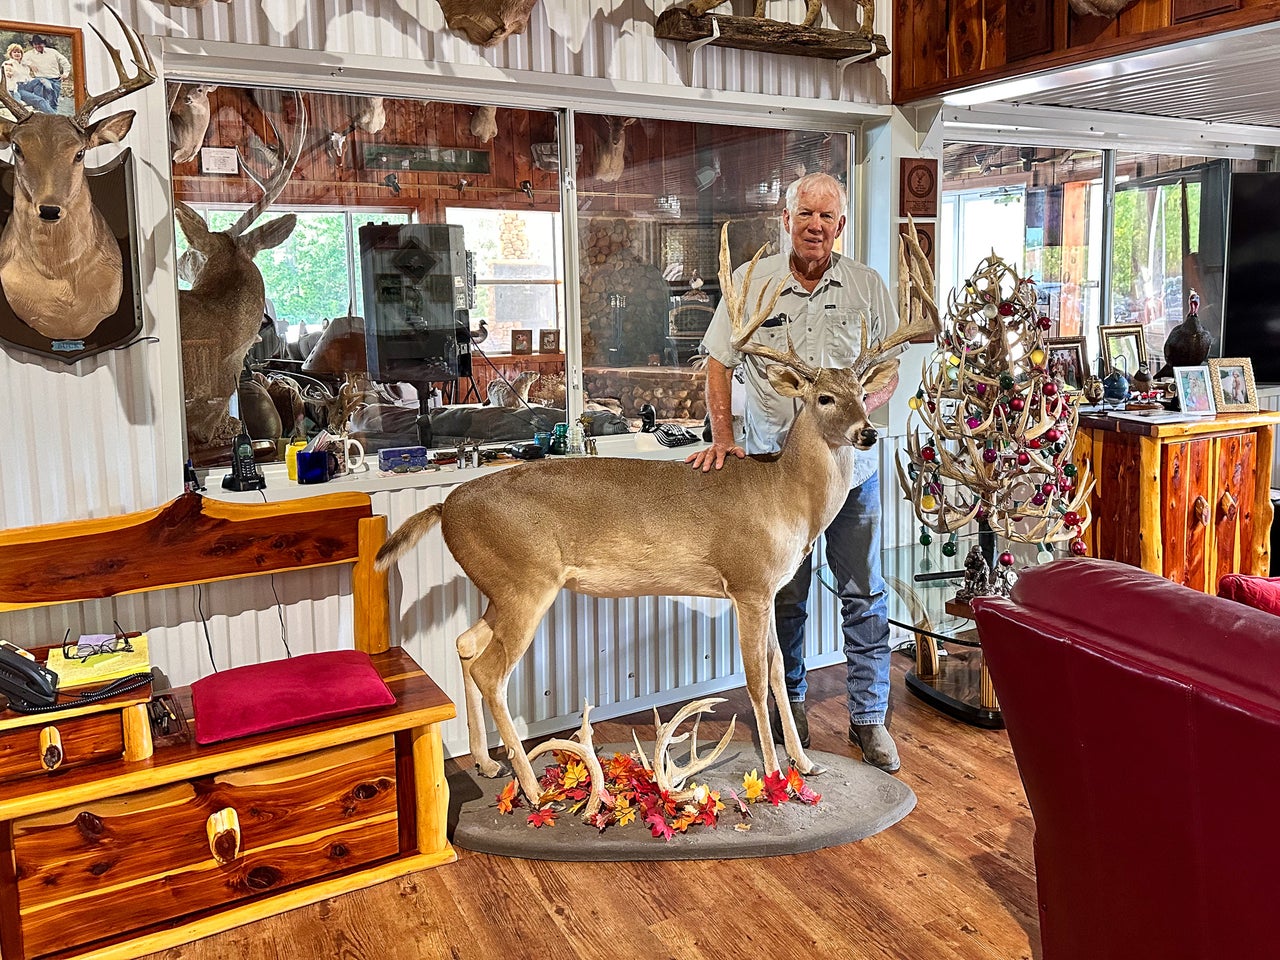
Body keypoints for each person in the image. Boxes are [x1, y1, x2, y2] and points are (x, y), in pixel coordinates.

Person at [686, 172, 901, 774]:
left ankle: (869, 719)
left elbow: (888, 372)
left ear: (839, 225)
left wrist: (854, 412)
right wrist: (722, 438)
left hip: (849, 476)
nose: (816, 227)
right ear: (786, 218)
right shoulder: (753, 284)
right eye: (806, 214)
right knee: (786, 597)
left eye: (828, 218)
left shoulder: (865, 286)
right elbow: (719, 362)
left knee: (863, 594)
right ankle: (792, 712)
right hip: (769, 478)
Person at [23, 35, 70, 114]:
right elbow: (21, 60)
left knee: (54, 102)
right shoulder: (29, 54)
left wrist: (66, 73)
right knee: (46, 91)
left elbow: (65, 62)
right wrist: (30, 64)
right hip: (41, 79)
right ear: (33, 45)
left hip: (56, 79)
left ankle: (52, 118)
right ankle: (53, 117)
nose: (37, 46)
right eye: (35, 44)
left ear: (43, 44)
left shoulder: (52, 52)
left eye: (39, 43)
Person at [1, 44, 45, 112]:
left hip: (25, 86)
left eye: (19, 52)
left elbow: (28, 78)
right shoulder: (8, 63)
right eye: (14, 52)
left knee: (39, 81)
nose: (17, 54)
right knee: (39, 100)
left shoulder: (24, 65)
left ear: (21, 54)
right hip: (15, 87)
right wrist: (8, 73)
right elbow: (3, 77)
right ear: (11, 54)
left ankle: (36, 104)